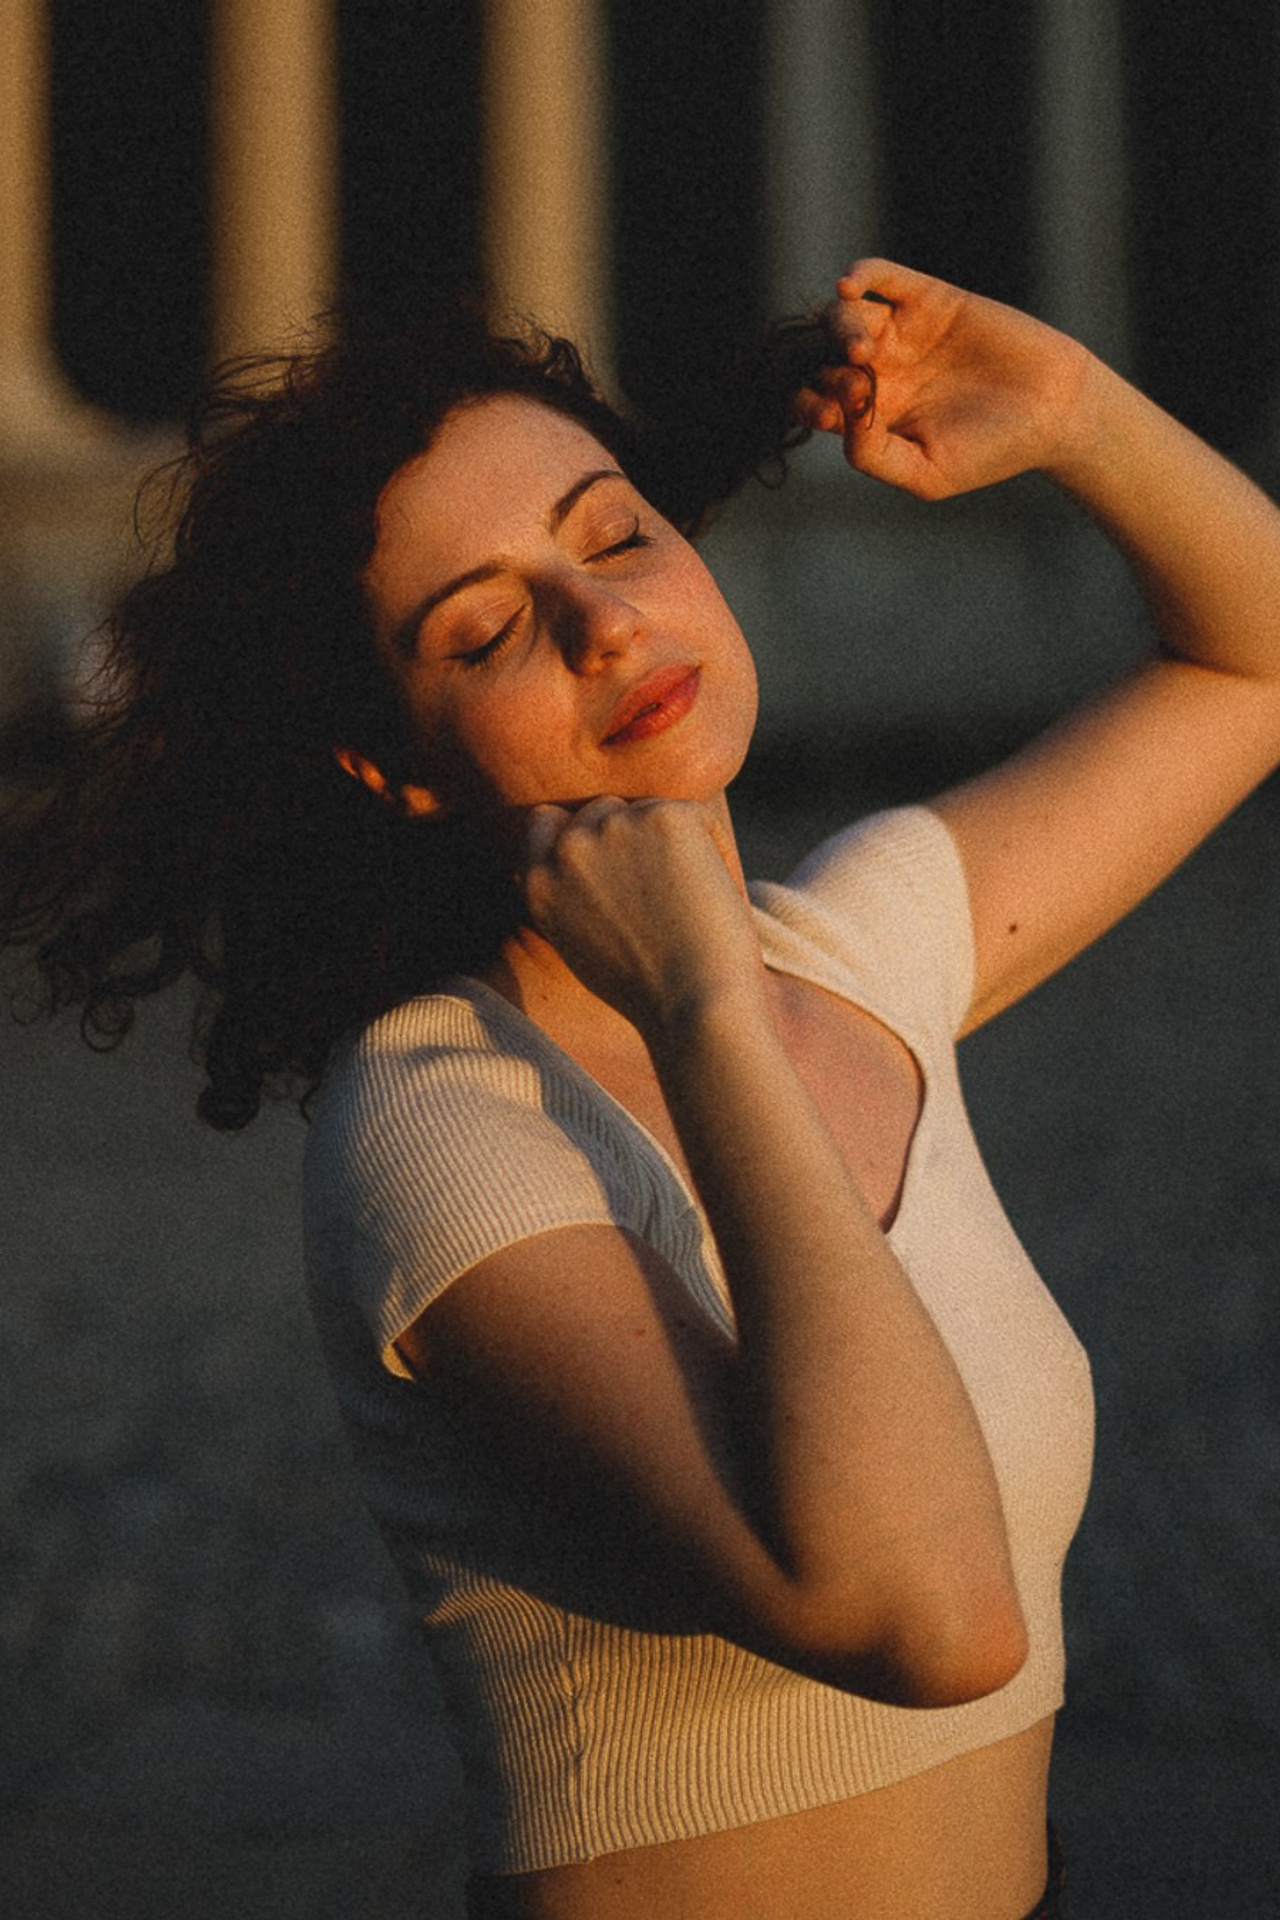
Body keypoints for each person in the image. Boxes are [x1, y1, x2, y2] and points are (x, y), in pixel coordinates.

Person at [5, 258, 1280, 1919]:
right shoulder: (443, 1125)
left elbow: (1250, 665)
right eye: (483, 627)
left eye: (615, 536)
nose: (606, 622)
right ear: (391, 761)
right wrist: (697, 1007)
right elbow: (925, 1615)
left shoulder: (852, 948)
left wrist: (1080, 417)